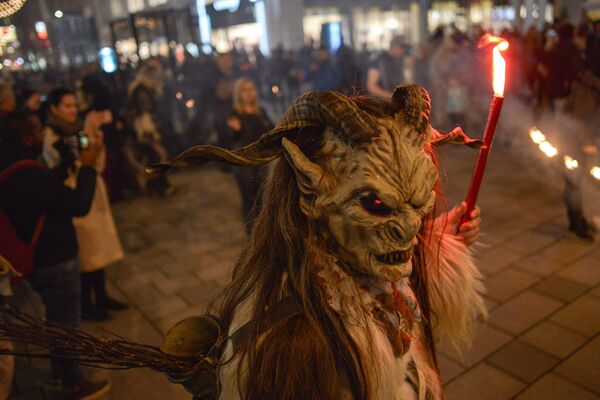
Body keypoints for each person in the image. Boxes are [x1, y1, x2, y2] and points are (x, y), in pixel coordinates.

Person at [0, 111, 110, 399]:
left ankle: (61, 369)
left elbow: (44, 194)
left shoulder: (9, 162)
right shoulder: (28, 171)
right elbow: (77, 204)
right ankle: (73, 383)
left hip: (29, 256)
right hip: (55, 259)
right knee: (66, 326)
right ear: (26, 137)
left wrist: (64, 165)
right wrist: (87, 166)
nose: (40, 134)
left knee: (55, 317)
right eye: (36, 130)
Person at [226, 78, 274, 231]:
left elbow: (272, 130)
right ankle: (252, 233)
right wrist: (236, 129)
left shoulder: (261, 111)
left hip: (261, 159)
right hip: (243, 162)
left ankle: (263, 233)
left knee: (261, 197)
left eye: (251, 89)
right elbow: (230, 139)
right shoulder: (234, 114)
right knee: (249, 198)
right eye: (245, 90)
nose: (249, 93)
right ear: (239, 94)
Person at [126, 63, 174, 196]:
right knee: (156, 156)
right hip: (145, 130)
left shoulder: (144, 89)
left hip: (147, 128)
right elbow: (144, 114)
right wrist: (152, 134)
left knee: (153, 157)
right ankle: (160, 186)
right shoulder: (142, 91)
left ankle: (155, 185)